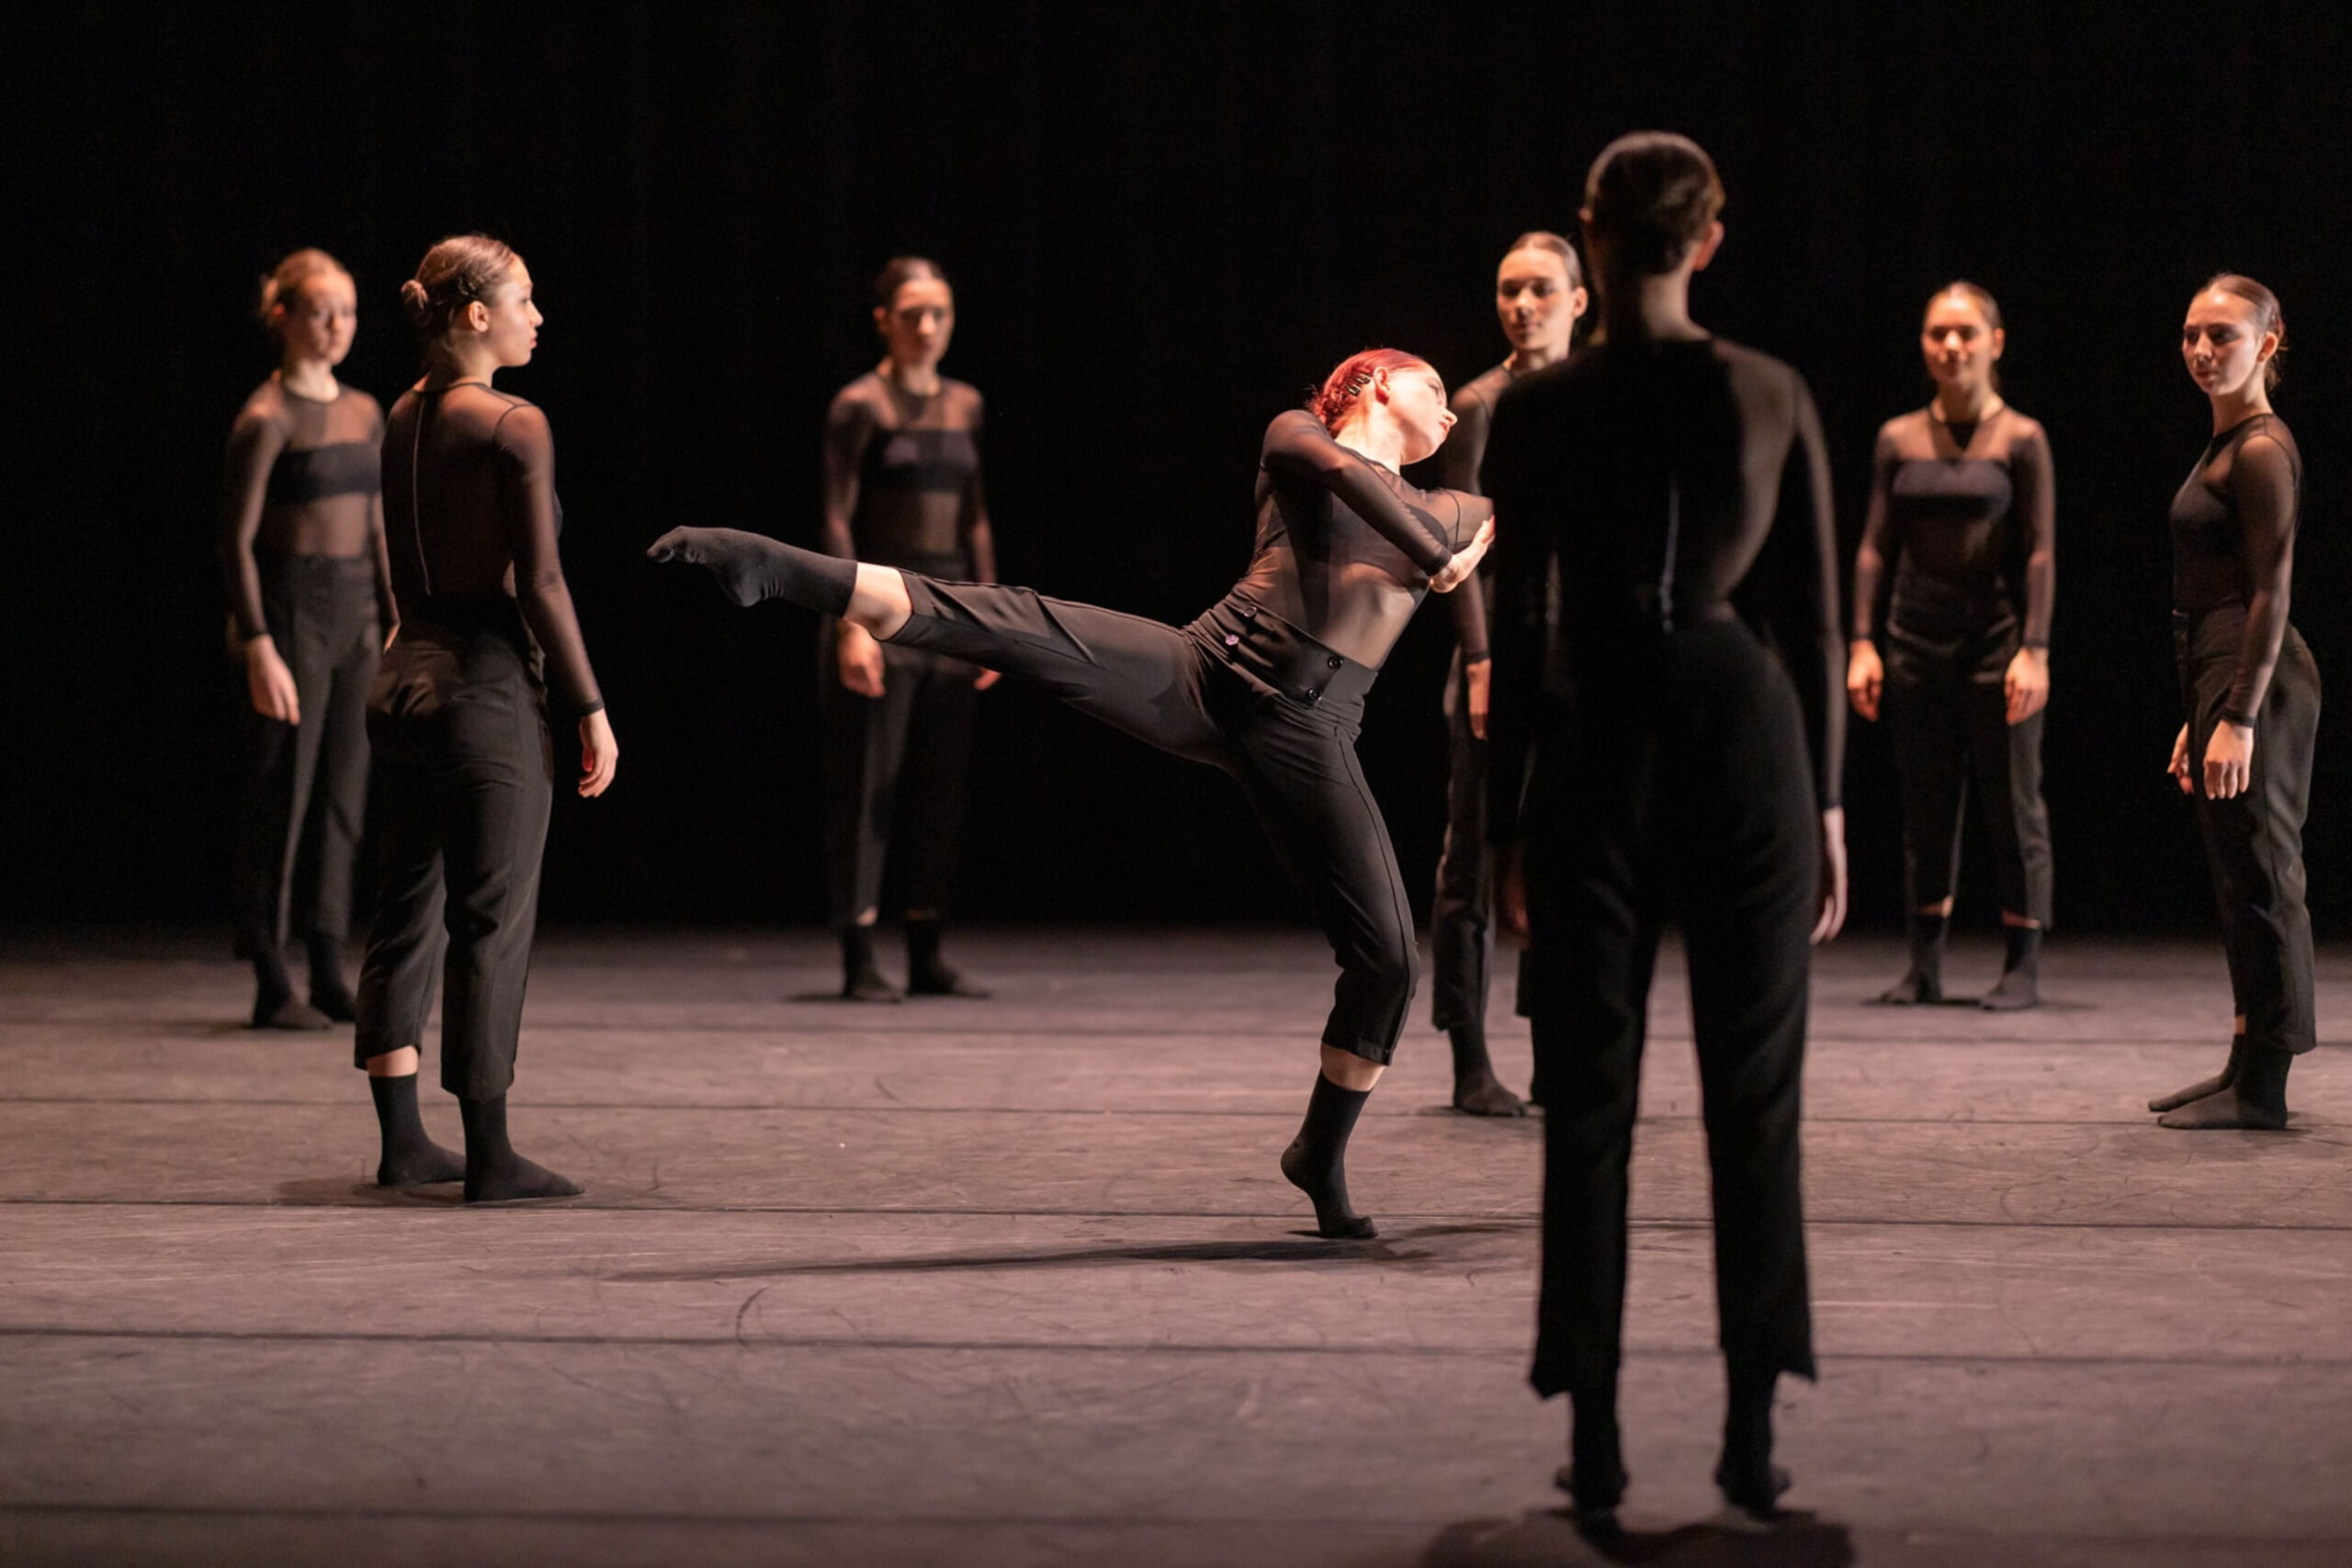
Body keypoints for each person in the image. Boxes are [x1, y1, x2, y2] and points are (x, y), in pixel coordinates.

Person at [652, 347, 1495, 1240]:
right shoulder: (1296, 436)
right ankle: (776, 566)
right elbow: (1388, 510)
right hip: (1208, 665)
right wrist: (1436, 545)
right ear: (1373, 384)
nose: (1446, 414)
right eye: (1432, 388)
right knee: (1016, 619)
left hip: (1310, 726)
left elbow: (1451, 536)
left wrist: (1445, 541)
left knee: (1391, 965)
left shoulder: (1457, 501)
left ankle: (1317, 1155)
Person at [1481, 132, 1846, 1528]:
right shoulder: (1769, 389)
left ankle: (1598, 1429)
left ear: (1593, 233)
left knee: (1590, 1100)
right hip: (1741, 729)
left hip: (1596, 736)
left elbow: (1521, 627)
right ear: (1710, 235)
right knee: (1755, 1097)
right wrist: (1823, 798)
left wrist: (1511, 810)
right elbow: (1811, 618)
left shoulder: (1545, 408)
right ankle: (1751, 1434)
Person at [355, 234, 619, 1201]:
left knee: (404, 910)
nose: (537, 318)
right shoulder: (514, 424)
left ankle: (401, 1142)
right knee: (489, 920)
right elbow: (542, 581)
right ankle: (492, 1154)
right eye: (524, 299)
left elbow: (400, 559)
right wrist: (588, 704)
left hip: (402, 682)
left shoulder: (400, 415)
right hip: (486, 687)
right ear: (476, 315)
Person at [1848, 283, 2055, 1008]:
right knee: (1926, 803)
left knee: (2011, 802)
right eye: (1939, 332)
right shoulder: (1898, 437)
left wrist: (2035, 647)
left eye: (1966, 332)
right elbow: (1874, 546)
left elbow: (2039, 552)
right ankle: (1923, 965)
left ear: (1995, 342)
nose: (1951, 346)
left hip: (1996, 643)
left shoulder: (2021, 438)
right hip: (1913, 639)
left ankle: (2021, 965)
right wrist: (1862, 642)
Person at [2147, 275, 2315, 1131]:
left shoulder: (2259, 449)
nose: (2204, 351)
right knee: (2234, 870)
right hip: (2219, 663)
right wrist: (2201, 712)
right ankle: (2243, 1062)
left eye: (2223, 335)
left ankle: (2266, 1086)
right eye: (2190, 335)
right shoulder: (2224, 444)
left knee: (2264, 870)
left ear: (2268, 343)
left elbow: (2270, 591)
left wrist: (2241, 715)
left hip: (2259, 668)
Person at [1427, 231, 1588, 1115]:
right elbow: (1460, 550)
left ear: (1578, 300)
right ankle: (1470, 1060)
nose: (1521, 305)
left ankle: (1554, 1051)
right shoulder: (1480, 404)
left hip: (1576, 659)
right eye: (1507, 289)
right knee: (1475, 859)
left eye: (1539, 290)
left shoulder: (1598, 395)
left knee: (1562, 859)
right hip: (1497, 654)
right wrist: (1482, 659)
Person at [220, 249, 392, 1030]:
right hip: (293, 610)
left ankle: (327, 962)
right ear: (283, 315)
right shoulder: (267, 417)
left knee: (344, 795)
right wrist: (257, 639)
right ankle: (270, 971)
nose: (337, 326)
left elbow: (381, 527)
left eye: (348, 311)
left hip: (358, 609)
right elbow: (234, 541)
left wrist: (397, 618)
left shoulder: (364, 411)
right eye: (322, 310)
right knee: (282, 793)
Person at [820, 257, 1000, 1000]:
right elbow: (834, 512)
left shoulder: (966, 404)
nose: (928, 327)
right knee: (871, 782)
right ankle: (860, 951)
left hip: (950, 607)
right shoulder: (860, 403)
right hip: (883, 602)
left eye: (941, 313)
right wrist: (851, 621)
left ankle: (927, 945)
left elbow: (976, 512)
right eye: (913, 313)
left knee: (940, 782)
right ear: (885, 319)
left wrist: (992, 614)